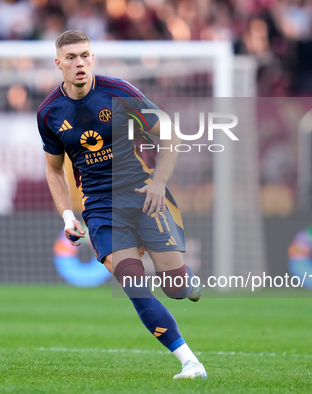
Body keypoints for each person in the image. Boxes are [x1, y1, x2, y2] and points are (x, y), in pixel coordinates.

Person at [37, 30, 206, 379]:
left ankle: (185, 282)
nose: (79, 62)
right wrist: (68, 214)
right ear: (58, 64)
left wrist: (159, 181)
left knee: (175, 289)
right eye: (71, 57)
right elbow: (54, 171)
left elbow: (169, 132)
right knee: (133, 282)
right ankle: (190, 362)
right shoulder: (50, 113)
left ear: (93, 57)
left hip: (143, 193)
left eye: (84, 55)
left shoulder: (119, 93)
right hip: (99, 207)